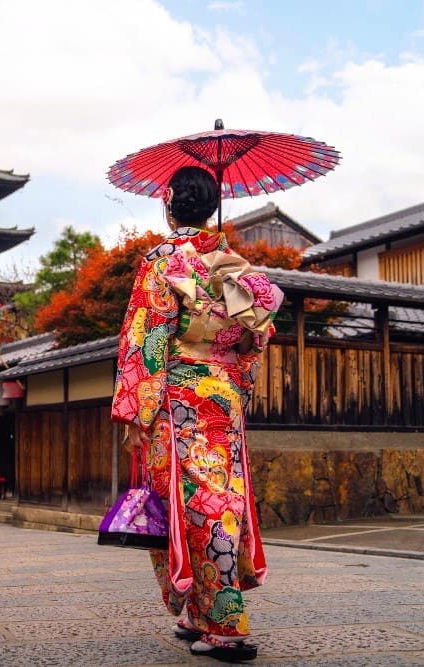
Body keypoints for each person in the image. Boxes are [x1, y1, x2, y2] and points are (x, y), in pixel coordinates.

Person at [111, 166, 283, 662]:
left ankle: (225, 625)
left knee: (191, 505)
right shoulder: (236, 266)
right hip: (222, 399)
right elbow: (258, 336)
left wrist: (137, 414)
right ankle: (198, 613)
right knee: (219, 498)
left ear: (168, 205)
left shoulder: (161, 261)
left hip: (176, 399)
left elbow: (147, 337)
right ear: (211, 207)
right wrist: (233, 380)